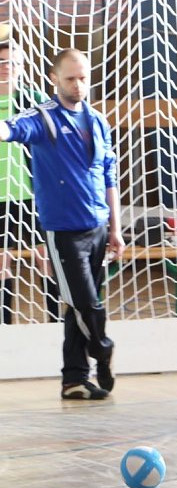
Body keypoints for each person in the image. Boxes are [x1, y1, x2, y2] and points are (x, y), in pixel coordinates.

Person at [0, 48, 125, 400]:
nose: (79, 84)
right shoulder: (44, 118)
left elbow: (108, 176)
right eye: (71, 78)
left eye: (83, 77)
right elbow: (11, 129)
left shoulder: (98, 121)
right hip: (64, 231)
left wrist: (115, 228)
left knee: (78, 305)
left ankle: (74, 379)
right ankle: (103, 348)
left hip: (98, 227)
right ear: (54, 79)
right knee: (87, 304)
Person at [0, 37, 61, 325]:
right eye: (3, 62)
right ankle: (5, 326)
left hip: (33, 195)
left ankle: (54, 322)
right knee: (2, 263)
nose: (8, 67)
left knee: (45, 257)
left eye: (14, 62)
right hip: (1, 196)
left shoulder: (33, 100)